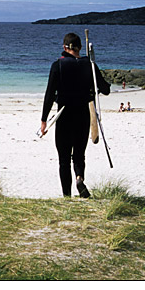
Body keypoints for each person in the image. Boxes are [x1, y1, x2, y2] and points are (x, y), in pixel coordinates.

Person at [41, 32, 111, 198]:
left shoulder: (57, 65)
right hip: (83, 115)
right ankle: (79, 178)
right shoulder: (90, 65)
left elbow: (50, 94)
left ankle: (67, 196)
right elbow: (106, 89)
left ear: (64, 47)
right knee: (79, 155)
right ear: (80, 48)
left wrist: (44, 120)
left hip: (64, 115)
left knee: (64, 159)